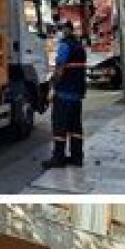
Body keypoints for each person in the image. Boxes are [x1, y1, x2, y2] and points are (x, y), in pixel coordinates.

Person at [42, 22, 87, 170]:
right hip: (77, 94)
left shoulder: (64, 46)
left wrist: (52, 84)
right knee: (75, 127)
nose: (59, 32)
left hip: (64, 94)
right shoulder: (80, 47)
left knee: (60, 126)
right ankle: (77, 157)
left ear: (65, 30)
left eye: (60, 29)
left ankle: (58, 158)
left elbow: (60, 69)